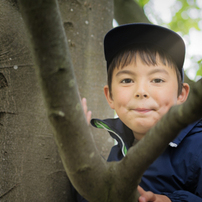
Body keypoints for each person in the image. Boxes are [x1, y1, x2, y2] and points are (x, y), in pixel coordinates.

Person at [73, 23, 202, 202]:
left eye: (157, 79)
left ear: (181, 94)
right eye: (127, 80)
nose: (141, 91)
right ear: (110, 96)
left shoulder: (198, 145)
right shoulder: (115, 157)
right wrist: (79, 149)